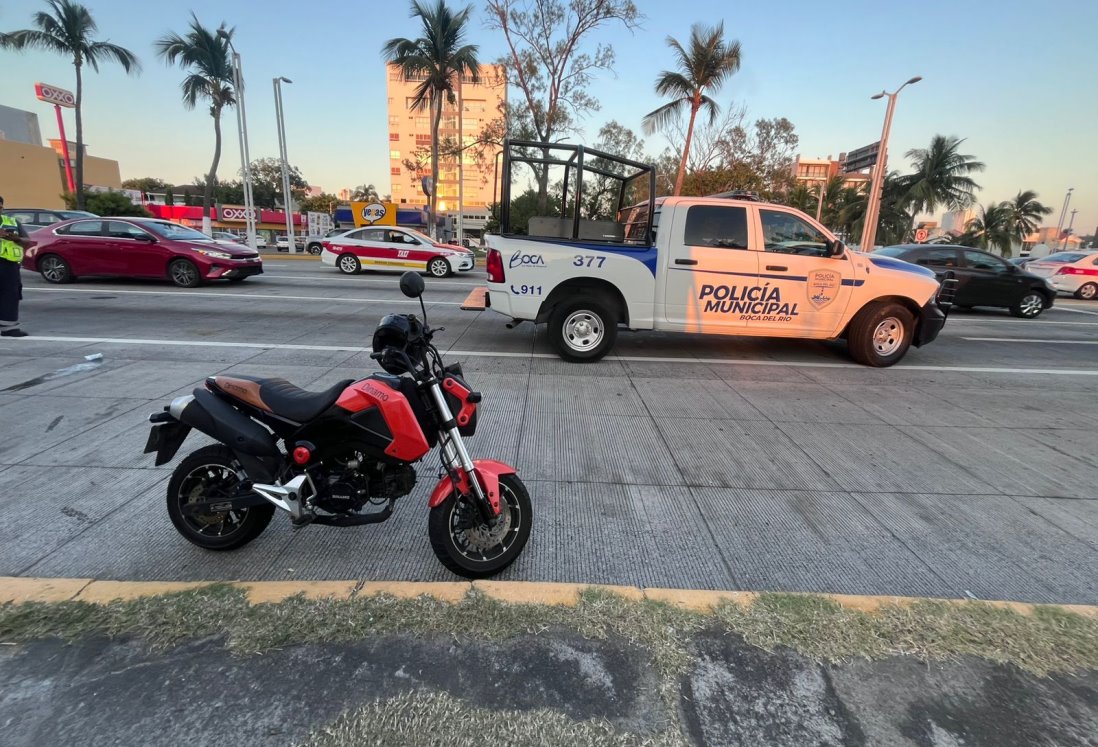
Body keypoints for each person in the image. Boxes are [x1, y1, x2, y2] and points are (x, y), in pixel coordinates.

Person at [0, 195, 35, 337]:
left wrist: (15, 238)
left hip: (9, 265)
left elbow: (27, 241)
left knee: (11, 295)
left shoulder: (12, 222)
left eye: (1, 206)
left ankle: (9, 328)